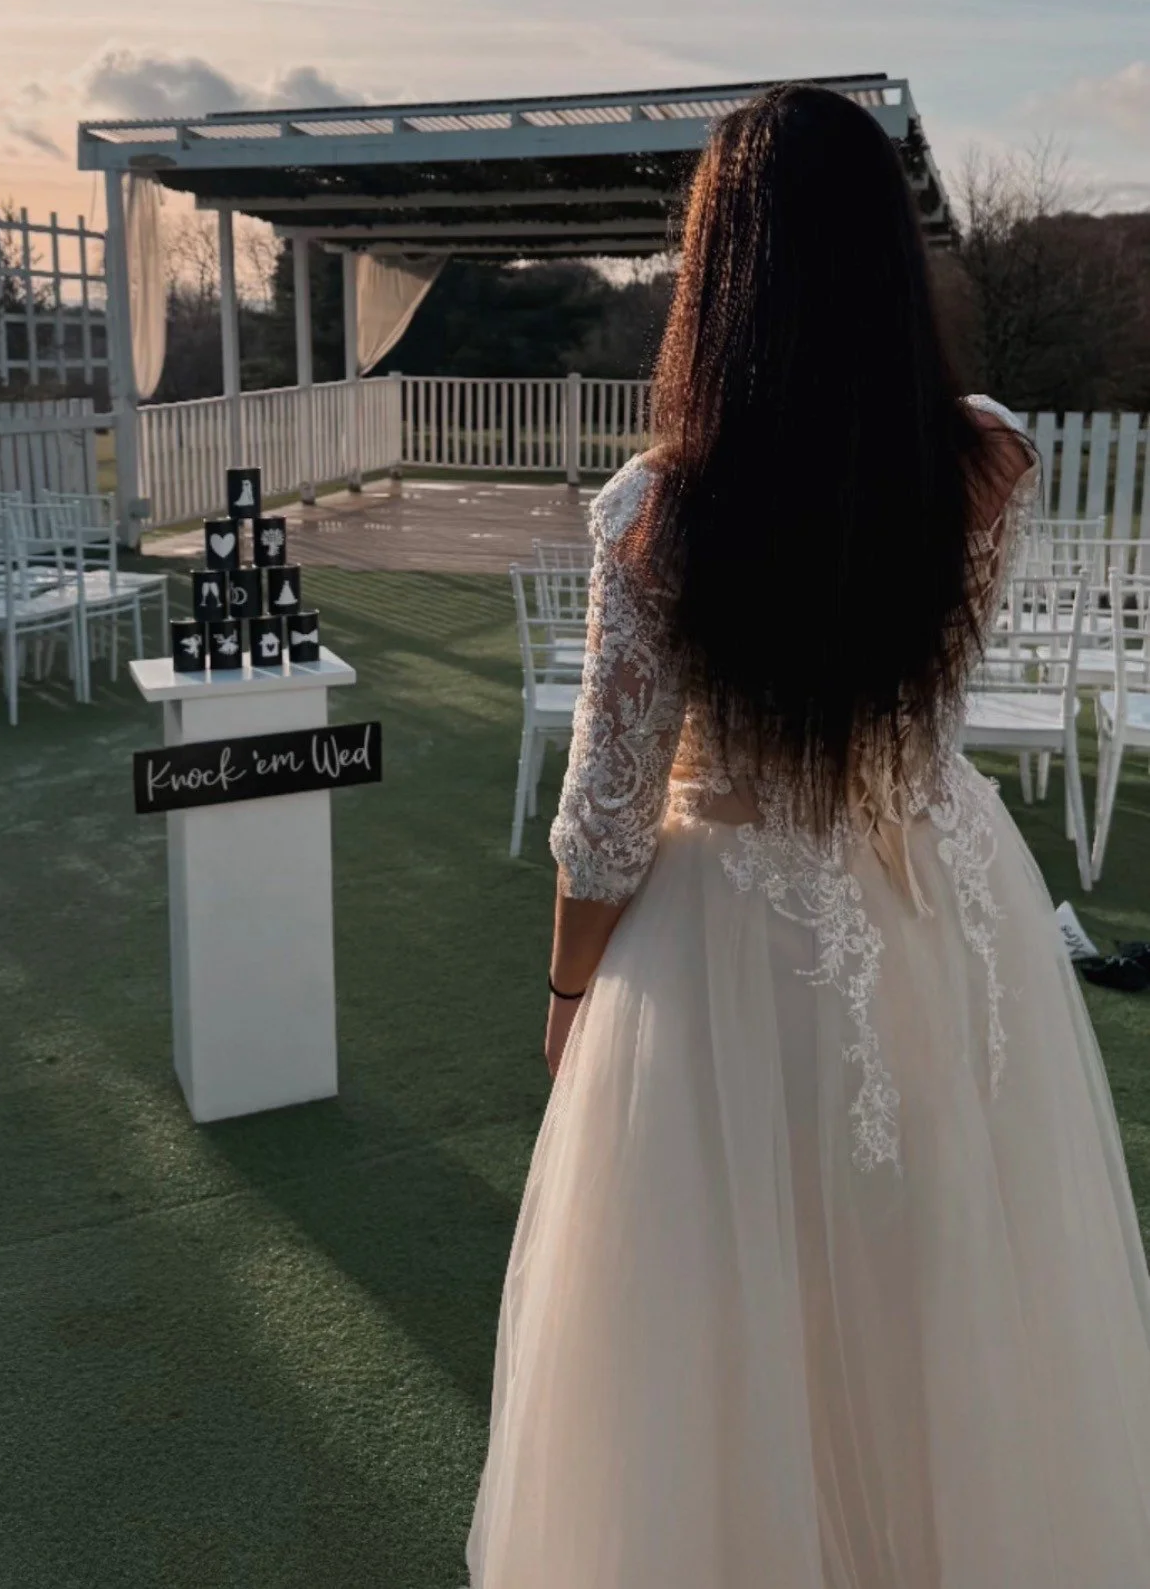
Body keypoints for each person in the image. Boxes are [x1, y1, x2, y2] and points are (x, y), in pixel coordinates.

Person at [466, 84, 1150, 1588]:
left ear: (718, 273)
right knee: (944, 1277)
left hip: (732, 941)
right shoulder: (986, 464)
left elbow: (606, 808)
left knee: (728, 1321)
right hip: (941, 903)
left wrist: (571, 991)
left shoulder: (660, 514)